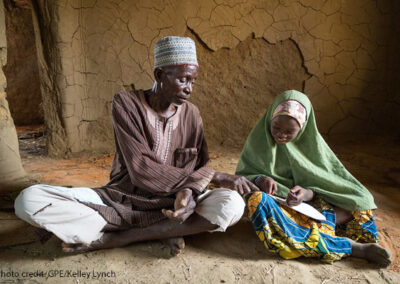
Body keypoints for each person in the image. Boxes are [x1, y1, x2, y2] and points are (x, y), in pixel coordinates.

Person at [14, 36, 256, 254]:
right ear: (160, 75)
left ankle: (124, 237)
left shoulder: (192, 114)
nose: (189, 89)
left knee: (232, 205)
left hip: (176, 204)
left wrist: (189, 193)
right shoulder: (126, 103)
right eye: (183, 79)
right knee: (28, 200)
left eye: (193, 81)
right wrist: (210, 179)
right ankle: (167, 229)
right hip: (122, 199)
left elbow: (201, 167)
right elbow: (141, 168)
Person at [235, 90, 391, 266]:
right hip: (283, 211)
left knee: (361, 201)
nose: (281, 135)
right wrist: (260, 179)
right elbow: (243, 175)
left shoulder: (314, 148)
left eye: (290, 132)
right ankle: (352, 247)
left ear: (303, 130)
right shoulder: (259, 141)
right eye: (276, 128)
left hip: (313, 209)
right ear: (270, 120)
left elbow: (330, 183)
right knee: (258, 201)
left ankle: (312, 233)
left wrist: (306, 194)